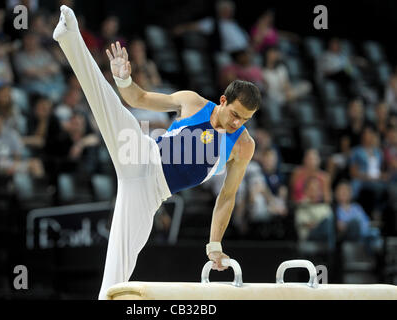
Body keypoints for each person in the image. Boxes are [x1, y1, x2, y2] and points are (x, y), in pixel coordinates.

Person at [53, 6, 259, 299]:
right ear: (223, 100)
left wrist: (214, 245)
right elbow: (138, 98)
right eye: (236, 114)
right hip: (142, 154)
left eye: (245, 120)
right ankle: (70, 36)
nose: (238, 123)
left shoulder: (243, 145)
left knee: (119, 270)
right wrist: (123, 79)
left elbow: (227, 196)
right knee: (109, 106)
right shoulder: (193, 102)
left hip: (151, 192)